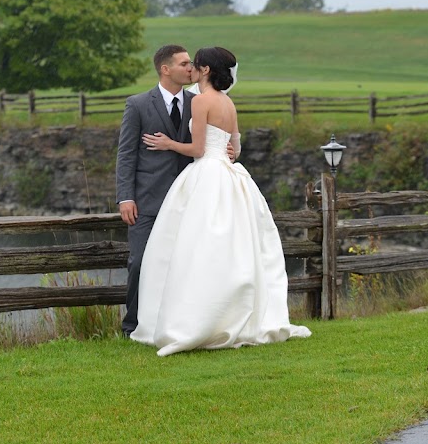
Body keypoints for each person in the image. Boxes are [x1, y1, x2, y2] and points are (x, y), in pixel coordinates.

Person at [130, 46, 312, 356]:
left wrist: (169, 143)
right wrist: (227, 152)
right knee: (228, 248)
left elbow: (198, 149)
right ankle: (231, 314)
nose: (191, 69)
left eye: (195, 65)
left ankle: (198, 317)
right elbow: (235, 148)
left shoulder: (201, 101)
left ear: (205, 70)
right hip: (229, 174)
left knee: (197, 248)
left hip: (206, 174)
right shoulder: (228, 102)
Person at [115, 44, 196, 336]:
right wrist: (125, 197)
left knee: (183, 264)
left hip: (188, 198)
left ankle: (176, 324)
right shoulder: (137, 104)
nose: (191, 68)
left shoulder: (197, 102)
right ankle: (133, 326)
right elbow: (126, 154)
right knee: (139, 262)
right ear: (165, 69)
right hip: (147, 200)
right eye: (184, 63)